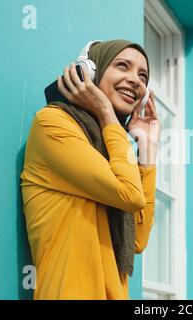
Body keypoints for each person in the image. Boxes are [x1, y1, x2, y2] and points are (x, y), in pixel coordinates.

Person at [20, 39, 160, 299]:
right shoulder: (53, 124)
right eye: (122, 66)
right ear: (90, 71)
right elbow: (130, 194)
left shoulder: (113, 148)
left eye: (143, 76)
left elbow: (137, 240)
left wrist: (148, 148)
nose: (136, 80)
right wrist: (107, 113)